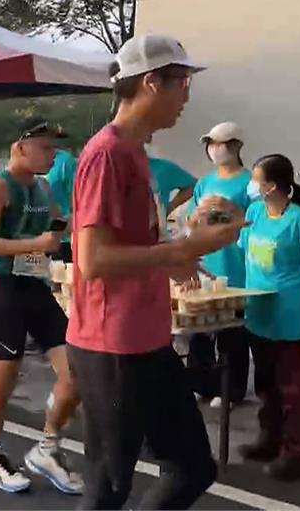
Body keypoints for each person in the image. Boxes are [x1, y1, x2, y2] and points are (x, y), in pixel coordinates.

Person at [69, 35, 244, 509]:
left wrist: (183, 248)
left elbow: (132, 245)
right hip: (112, 345)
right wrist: (181, 249)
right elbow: (93, 259)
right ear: (151, 82)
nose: (187, 96)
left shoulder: (135, 153)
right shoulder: (105, 154)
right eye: (182, 82)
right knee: (108, 488)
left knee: (193, 468)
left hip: (147, 340)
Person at [0, 121, 81, 495]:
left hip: (37, 288)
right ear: (21, 148)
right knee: (2, 379)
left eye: (54, 148)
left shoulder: (43, 186)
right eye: (45, 148)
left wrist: (66, 230)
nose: (52, 155)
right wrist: (33, 243)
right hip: (4, 289)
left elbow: (57, 224)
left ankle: (48, 448)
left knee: (76, 370)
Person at [236, 154, 300, 481]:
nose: (252, 185)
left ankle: (294, 453)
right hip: (259, 315)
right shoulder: (254, 212)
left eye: (256, 179)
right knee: (267, 385)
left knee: (295, 389)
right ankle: (269, 440)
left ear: (272, 185)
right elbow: (242, 249)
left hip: (292, 318)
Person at [187, 121, 252, 407]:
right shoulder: (205, 183)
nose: (214, 150)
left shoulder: (250, 183)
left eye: (220, 144)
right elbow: (190, 223)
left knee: (232, 331)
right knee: (199, 328)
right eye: (210, 144)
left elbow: (255, 220)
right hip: (207, 265)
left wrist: (228, 214)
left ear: (237, 146)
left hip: (236, 266)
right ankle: (200, 383)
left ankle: (231, 390)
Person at [146, 136, 196, 224]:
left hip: (155, 230)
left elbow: (192, 185)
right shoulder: (117, 167)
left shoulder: (163, 168)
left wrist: (170, 207)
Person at [46, 142, 77, 263]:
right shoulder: (22, 164)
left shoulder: (65, 162)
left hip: (62, 243)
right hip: (31, 243)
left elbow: (77, 203)